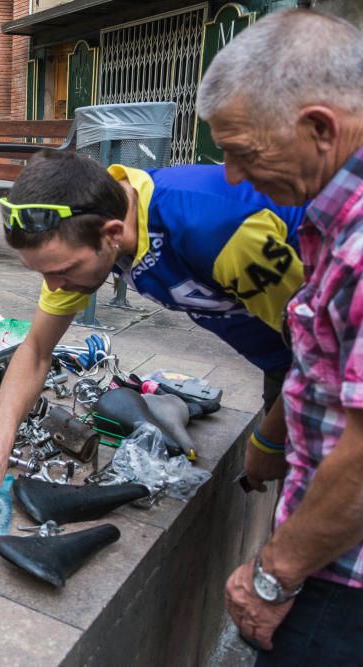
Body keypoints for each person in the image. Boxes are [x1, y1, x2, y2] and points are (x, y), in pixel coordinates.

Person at [0, 150, 307, 523]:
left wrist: (269, 439)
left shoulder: (218, 229)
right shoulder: (91, 229)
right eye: (43, 273)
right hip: (288, 353)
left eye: (63, 270)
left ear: (112, 233)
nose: (55, 286)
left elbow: (328, 356)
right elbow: (35, 350)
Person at [196, 9, 363, 663]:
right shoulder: (331, 215)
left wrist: (273, 573)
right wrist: (275, 433)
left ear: (319, 127)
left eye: (243, 151)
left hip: (340, 581)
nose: (234, 176)